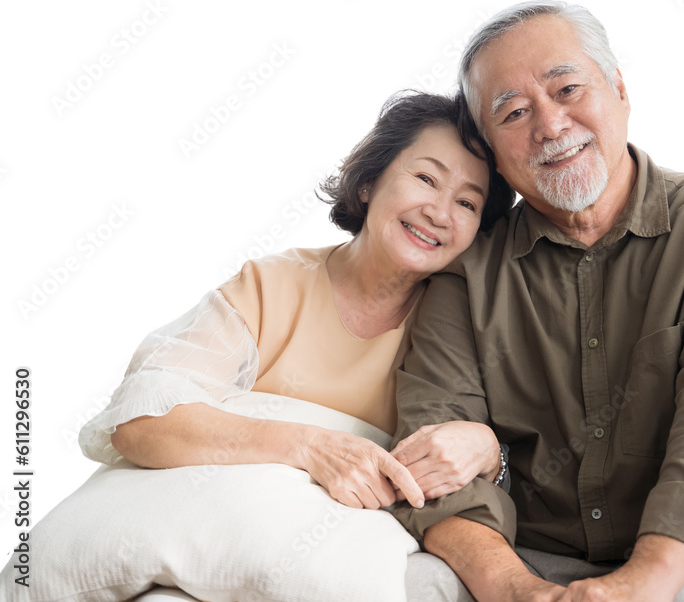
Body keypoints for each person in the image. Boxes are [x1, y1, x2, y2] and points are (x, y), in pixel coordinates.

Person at [390, 2, 684, 602]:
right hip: (520, 559)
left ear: (620, 89)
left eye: (568, 88)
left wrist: (641, 584)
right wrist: (514, 590)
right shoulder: (468, 269)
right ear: (491, 149)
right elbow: (434, 447)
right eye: (515, 112)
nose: (551, 126)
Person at [80, 90, 515, 511]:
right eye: (425, 179)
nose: (439, 213)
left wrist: (490, 451)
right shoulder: (271, 286)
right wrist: (311, 446)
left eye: (467, 203)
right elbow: (141, 420)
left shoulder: (467, 326)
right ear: (368, 182)